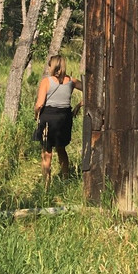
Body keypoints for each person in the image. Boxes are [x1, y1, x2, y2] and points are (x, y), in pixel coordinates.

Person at [34, 55, 82, 188]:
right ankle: (66, 179)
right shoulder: (72, 81)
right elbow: (90, 90)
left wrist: (36, 114)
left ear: (52, 66)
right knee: (61, 149)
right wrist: (79, 105)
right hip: (65, 118)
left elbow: (39, 104)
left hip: (48, 117)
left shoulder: (46, 81)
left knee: (47, 151)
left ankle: (46, 184)